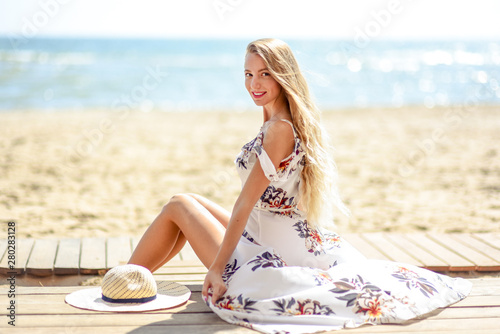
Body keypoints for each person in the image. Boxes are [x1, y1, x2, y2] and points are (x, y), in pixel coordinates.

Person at [128, 38, 471, 333]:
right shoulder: (279, 122)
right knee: (187, 199)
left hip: (265, 250)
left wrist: (217, 269)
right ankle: (128, 280)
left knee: (178, 205)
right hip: (268, 232)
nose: (254, 83)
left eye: (264, 73)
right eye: (248, 74)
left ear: (282, 75)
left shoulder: (279, 129)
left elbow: (245, 203)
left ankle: (125, 283)